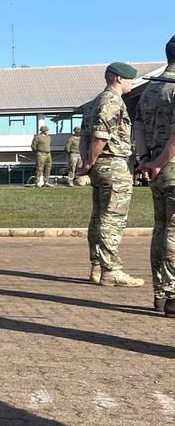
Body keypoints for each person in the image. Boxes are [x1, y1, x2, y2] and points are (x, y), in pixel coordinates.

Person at [79, 62, 143, 287]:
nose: (131, 84)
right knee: (112, 218)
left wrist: (88, 163)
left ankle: (97, 266)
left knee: (98, 217)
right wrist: (91, 161)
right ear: (117, 78)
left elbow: (84, 136)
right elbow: (99, 136)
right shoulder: (112, 101)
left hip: (100, 166)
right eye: (129, 80)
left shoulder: (95, 101)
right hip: (113, 164)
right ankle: (111, 270)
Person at [138, 37, 175, 315]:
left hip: (155, 168)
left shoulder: (150, 89)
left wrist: (145, 160)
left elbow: (137, 126)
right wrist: (161, 162)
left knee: (161, 228)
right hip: (169, 166)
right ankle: (173, 295)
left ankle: (160, 292)